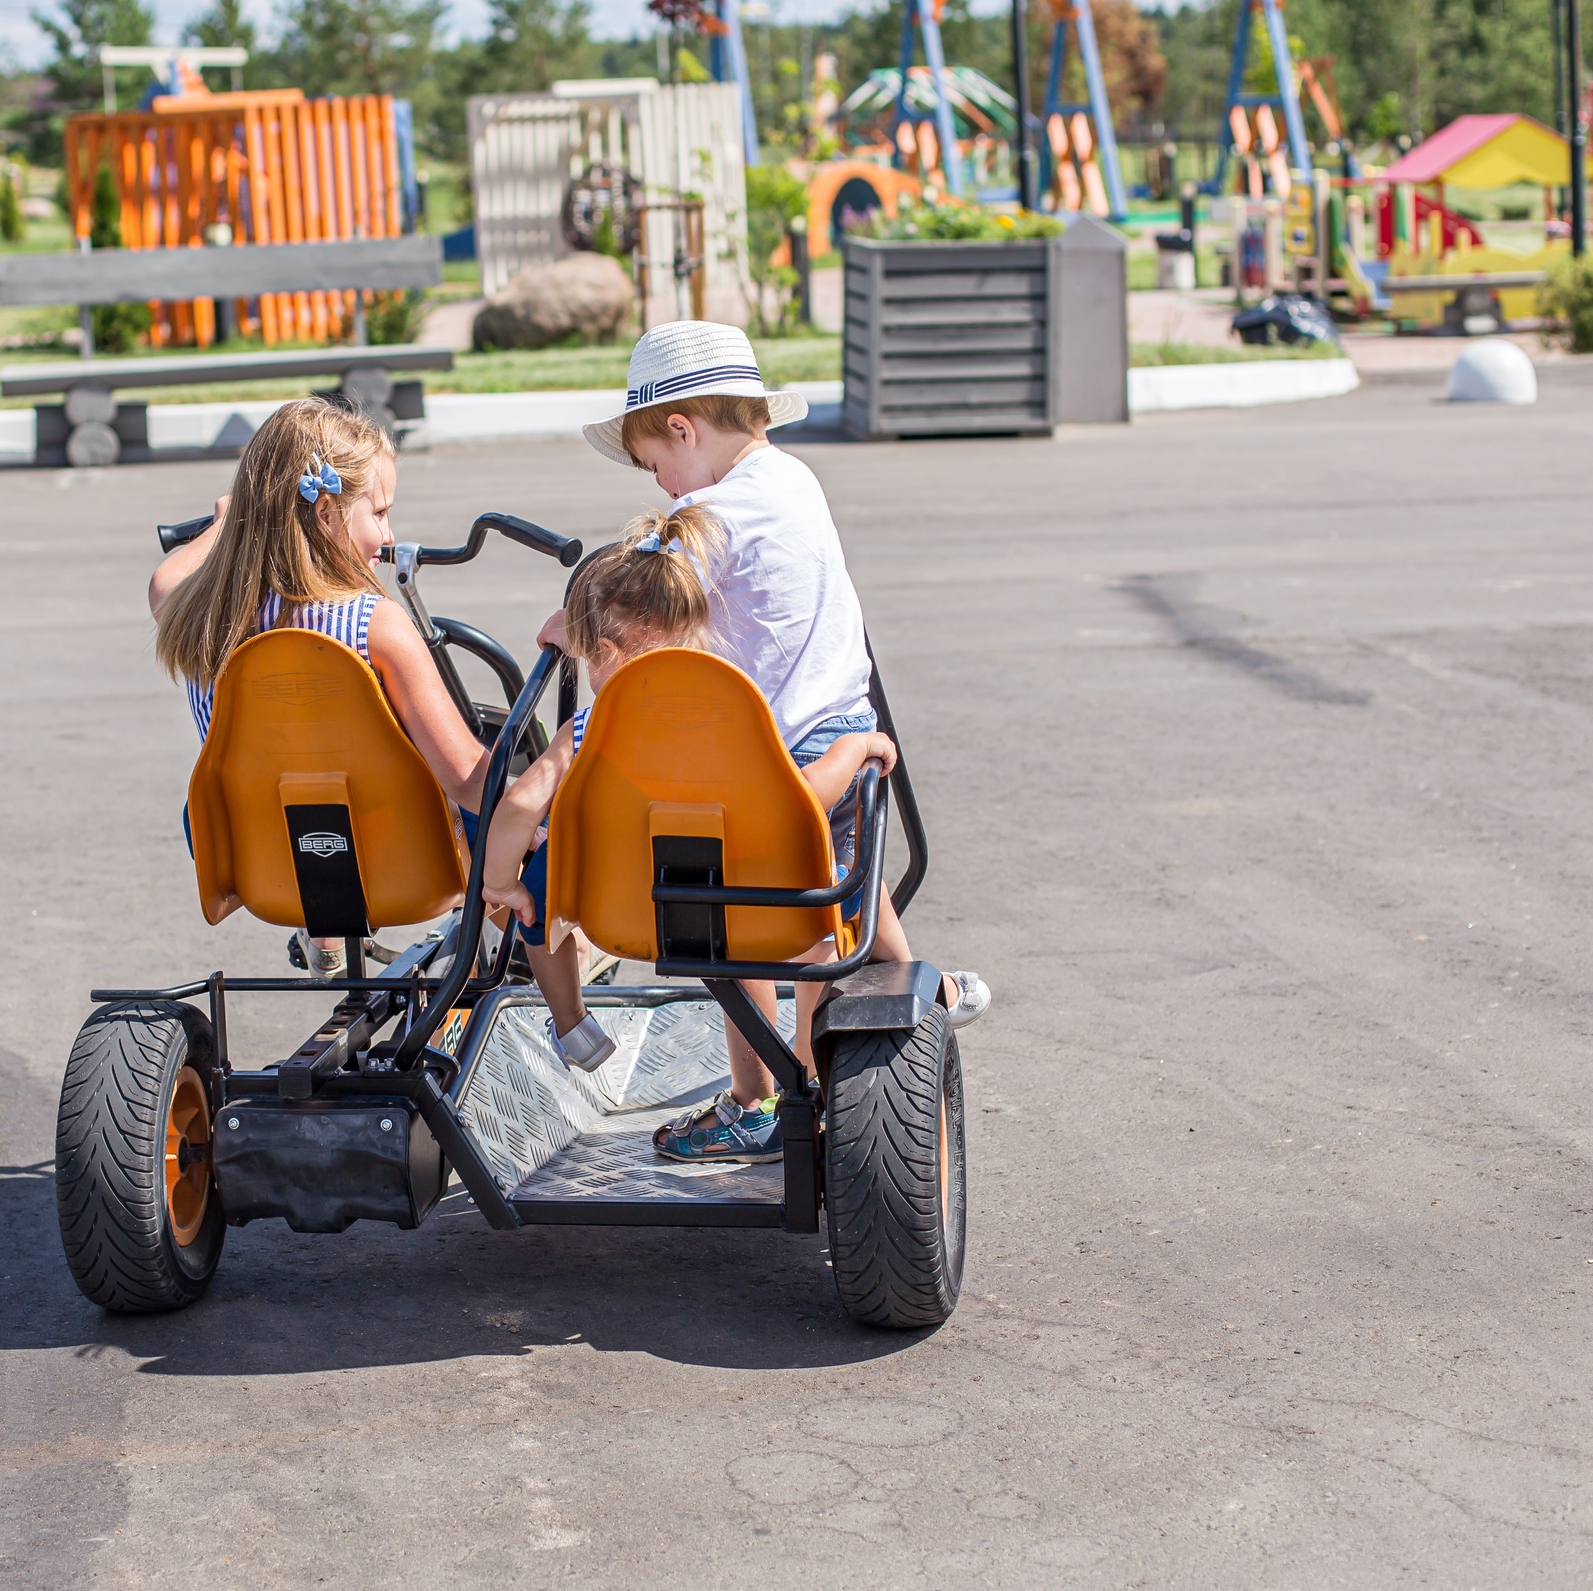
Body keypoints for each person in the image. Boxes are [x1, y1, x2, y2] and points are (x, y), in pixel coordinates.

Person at [562, 321, 992, 1164]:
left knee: (733, 917)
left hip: (774, 762)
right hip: (845, 728)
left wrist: (573, 621)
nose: (661, 483)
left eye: (654, 463)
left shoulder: (708, 516)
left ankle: (764, 1099)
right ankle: (924, 987)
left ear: (682, 430)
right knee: (844, 895)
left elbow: (641, 600)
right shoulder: (794, 478)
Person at [481, 504, 903, 1122]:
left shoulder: (587, 731)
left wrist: (501, 885)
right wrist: (855, 748)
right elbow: (808, 797)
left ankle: (574, 1024)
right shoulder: (738, 727)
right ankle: (807, 1077)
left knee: (536, 897)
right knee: (827, 895)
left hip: (626, 912)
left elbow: (520, 803)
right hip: (750, 907)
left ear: (603, 654)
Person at [150, 398, 492, 974]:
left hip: (263, 866)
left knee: (269, 785)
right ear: (327, 513)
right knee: (496, 790)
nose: (387, 535)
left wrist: (226, 524)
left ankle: (323, 929)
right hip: (402, 860)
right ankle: (546, 944)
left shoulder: (192, 616)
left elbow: (169, 574)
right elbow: (467, 779)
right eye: (380, 513)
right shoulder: (376, 626)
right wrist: (545, 806)